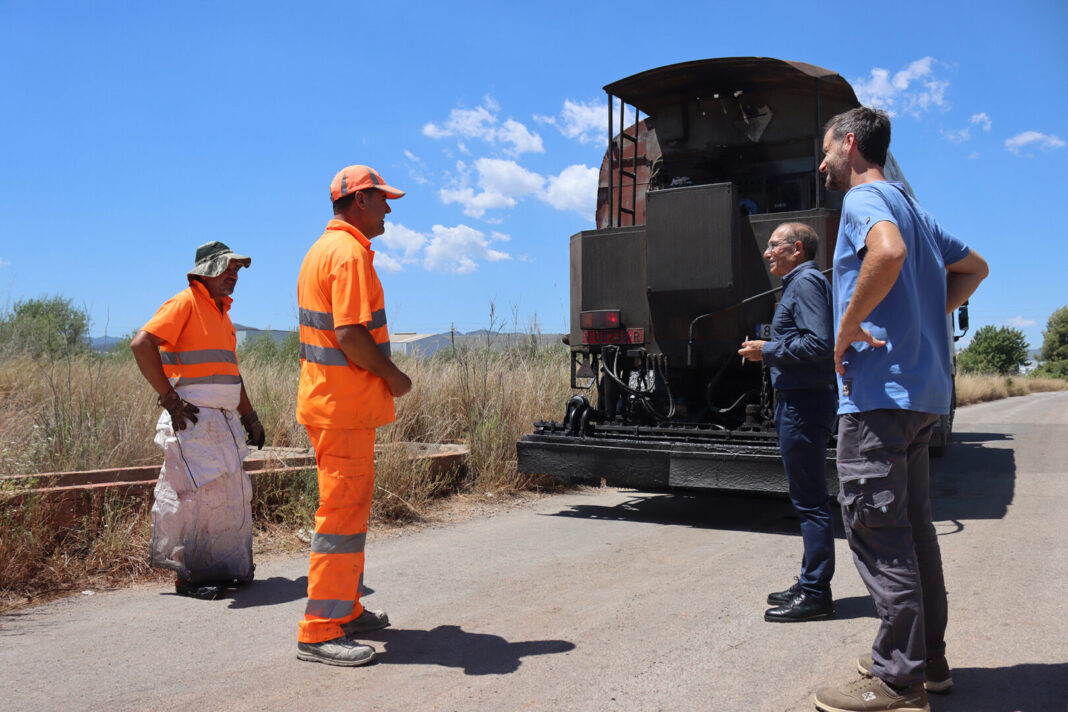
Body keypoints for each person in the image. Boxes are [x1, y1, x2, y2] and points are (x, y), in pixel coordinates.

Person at [812, 107, 988, 712]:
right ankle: (927, 660)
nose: (822, 162)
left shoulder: (865, 202)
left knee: (878, 534)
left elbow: (884, 254)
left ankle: (896, 680)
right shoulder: (917, 209)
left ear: (851, 144)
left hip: (876, 399)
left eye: (827, 150)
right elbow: (975, 268)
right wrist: (925, 318)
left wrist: (848, 326)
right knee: (913, 533)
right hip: (921, 397)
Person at [294, 165, 413, 666]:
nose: (388, 209)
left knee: (349, 512)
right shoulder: (347, 254)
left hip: (334, 405)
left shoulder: (325, 250)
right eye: (383, 200)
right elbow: (350, 335)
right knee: (341, 517)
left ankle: (345, 608)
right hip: (341, 409)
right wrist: (393, 376)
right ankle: (320, 629)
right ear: (360, 200)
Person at [131, 241, 267, 601]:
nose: (234, 276)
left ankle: (220, 570)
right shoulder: (185, 302)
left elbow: (229, 374)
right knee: (193, 500)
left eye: (236, 271)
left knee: (224, 498)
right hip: (193, 420)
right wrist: (171, 400)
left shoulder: (221, 314)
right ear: (206, 271)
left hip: (221, 423)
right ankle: (188, 577)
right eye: (227, 269)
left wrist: (249, 417)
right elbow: (141, 345)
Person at [739, 222, 837, 623]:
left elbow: (820, 343)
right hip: (798, 402)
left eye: (774, 246)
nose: (767, 253)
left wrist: (769, 349)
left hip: (804, 404)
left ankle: (816, 594)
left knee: (811, 501)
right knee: (807, 498)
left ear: (797, 249)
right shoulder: (798, 284)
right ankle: (810, 581)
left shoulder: (807, 283)